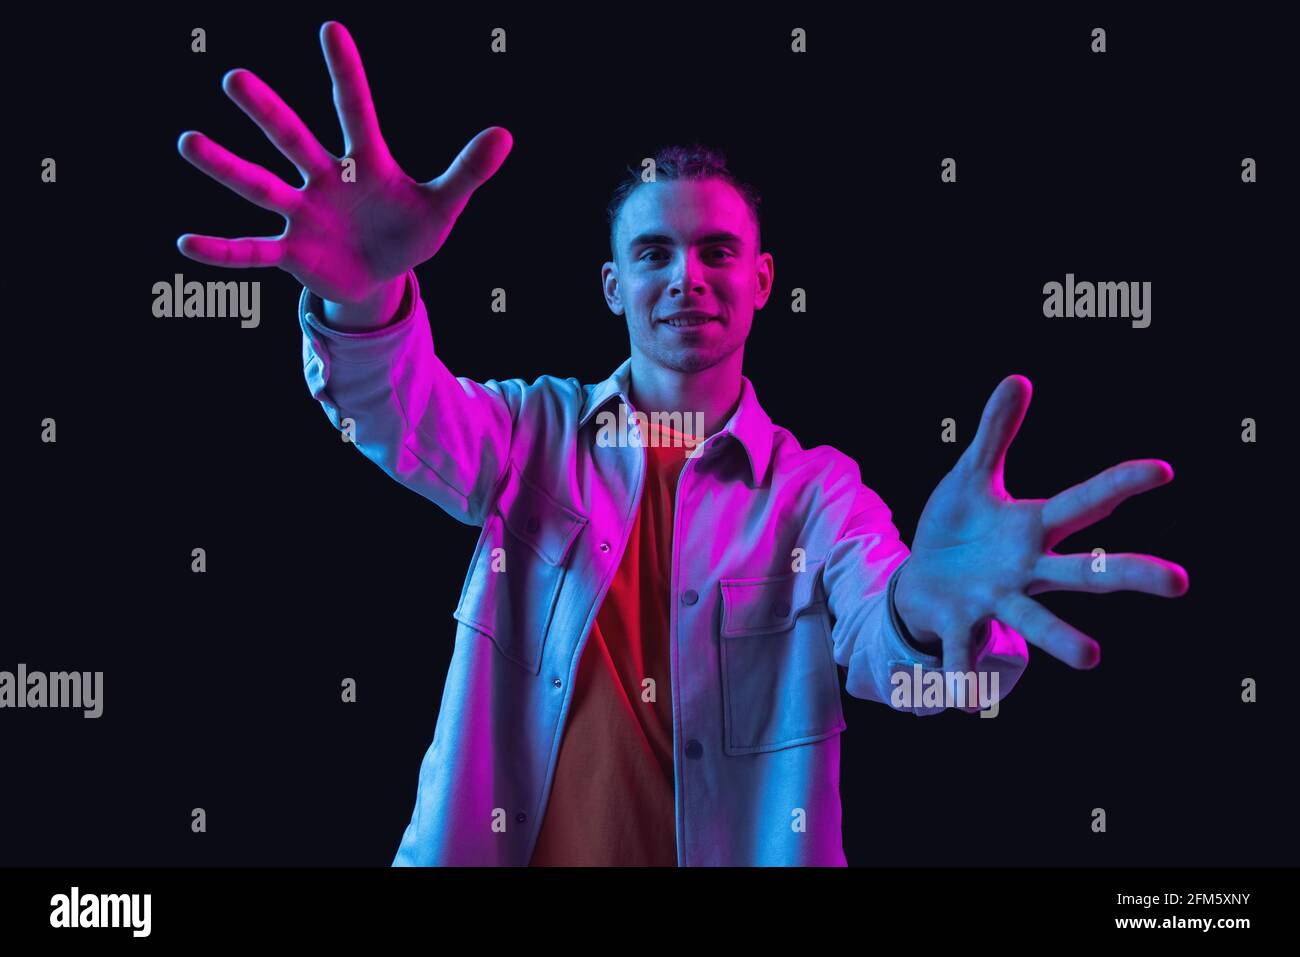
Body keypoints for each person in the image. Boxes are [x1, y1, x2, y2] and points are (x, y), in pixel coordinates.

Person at [175, 21, 1190, 866]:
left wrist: (930, 610)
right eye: (652, 253)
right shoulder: (531, 436)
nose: (685, 277)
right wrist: (362, 291)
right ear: (614, 287)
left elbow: (898, 660)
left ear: (760, 280)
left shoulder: (813, 495)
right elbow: (391, 411)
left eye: (717, 251)